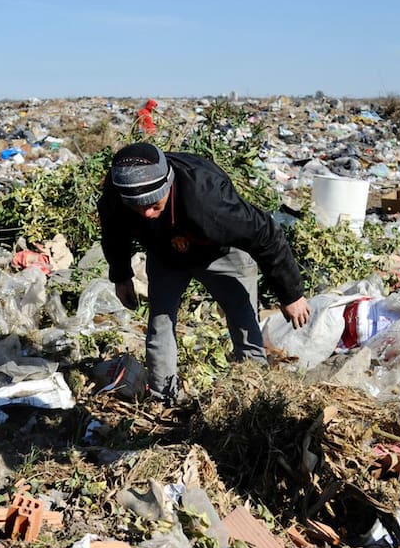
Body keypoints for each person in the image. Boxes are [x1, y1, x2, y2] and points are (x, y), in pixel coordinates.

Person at [97, 142, 311, 404]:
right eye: (138, 209)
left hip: (220, 254)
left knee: (244, 322)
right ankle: (163, 397)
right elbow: (113, 232)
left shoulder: (209, 199)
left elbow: (266, 234)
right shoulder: (116, 193)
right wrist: (121, 276)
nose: (148, 214)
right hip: (165, 253)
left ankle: (254, 396)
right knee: (159, 323)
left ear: (168, 184)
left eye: (154, 205)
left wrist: (291, 294)